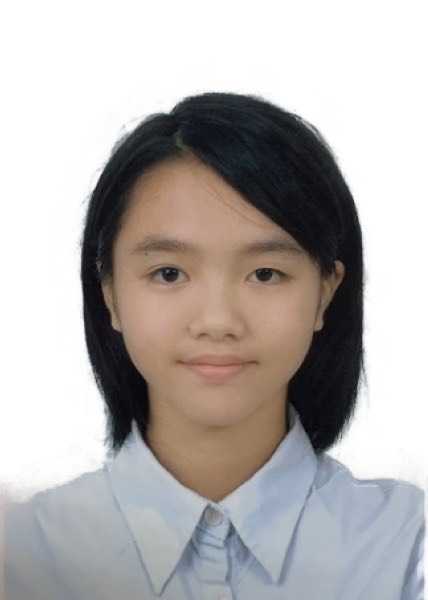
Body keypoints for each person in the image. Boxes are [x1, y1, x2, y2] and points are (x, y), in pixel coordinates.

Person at [3, 91, 424, 599]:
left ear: (324, 294)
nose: (218, 321)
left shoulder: (406, 545)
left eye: (265, 273)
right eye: (169, 273)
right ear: (110, 293)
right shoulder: (22, 555)